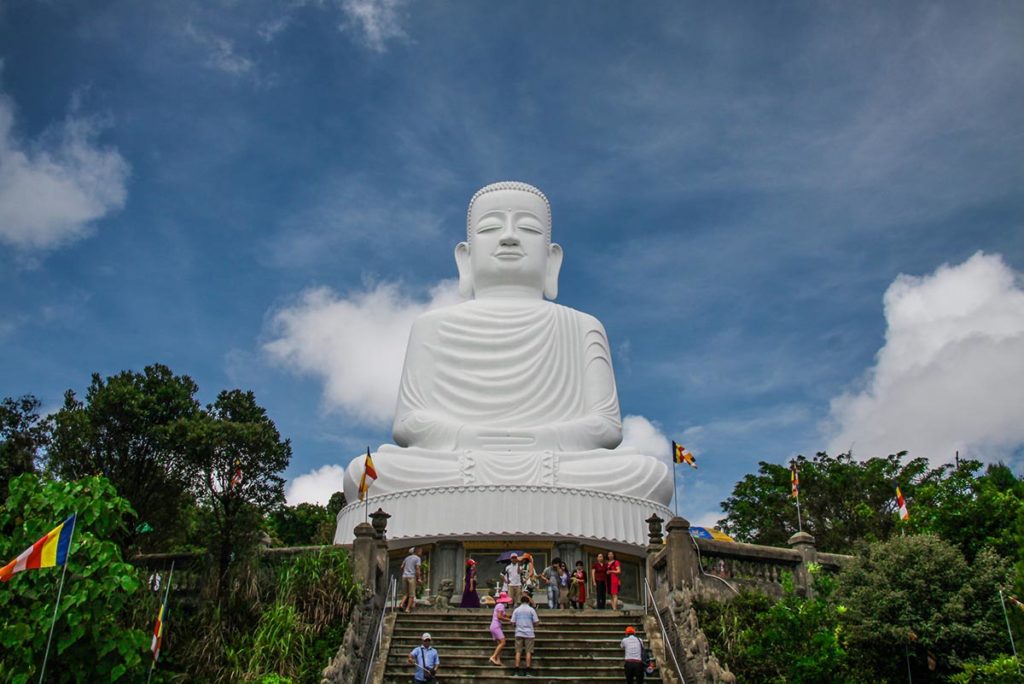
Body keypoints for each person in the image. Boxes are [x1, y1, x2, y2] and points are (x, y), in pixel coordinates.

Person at [510, 595, 540, 677]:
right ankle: (528, 670)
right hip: (529, 633)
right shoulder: (531, 610)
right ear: (528, 601)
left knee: (518, 652)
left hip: (519, 632)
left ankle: (516, 670)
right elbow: (536, 622)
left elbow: (512, 622)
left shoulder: (516, 610)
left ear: (521, 601)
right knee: (528, 652)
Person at [488, 591, 513, 666]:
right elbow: (499, 616)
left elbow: (504, 615)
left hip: (494, 626)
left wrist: (511, 617)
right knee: (503, 642)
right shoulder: (501, 606)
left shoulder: (498, 605)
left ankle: (498, 660)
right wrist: (509, 620)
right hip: (496, 626)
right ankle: (493, 656)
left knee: (499, 643)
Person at [401, 547, 422, 613]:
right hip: (411, 577)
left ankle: (401, 604)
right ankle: (407, 609)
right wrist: (418, 578)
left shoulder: (407, 558)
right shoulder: (417, 558)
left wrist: (405, 571)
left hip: (404, 576)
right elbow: (417, 569)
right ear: (417, 551)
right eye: (420, 551)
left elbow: (401, 567)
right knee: (412, 595)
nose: (421, 553)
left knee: (405, 593)